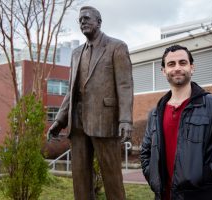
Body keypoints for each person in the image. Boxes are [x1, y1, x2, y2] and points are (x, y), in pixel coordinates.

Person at [47, 6, 133, 200]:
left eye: (86, 18)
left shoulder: (116, 47)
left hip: (105, 120)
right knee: (80, 179)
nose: (82, 22)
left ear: (99, 22)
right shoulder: (76, 53)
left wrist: (126, 120)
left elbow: (125, 85)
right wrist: (59, 120)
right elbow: (71, 90)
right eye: (79, 20)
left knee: (112, 178)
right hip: (77, 124)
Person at [140, 44, 212, 200]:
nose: (177, 68)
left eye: (182, 63)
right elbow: (146, 152)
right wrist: (152, 175)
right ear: (163, 71)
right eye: (171, 64)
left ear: (192, 68)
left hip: (203, 196)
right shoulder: (155, 113)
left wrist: (205, 175)